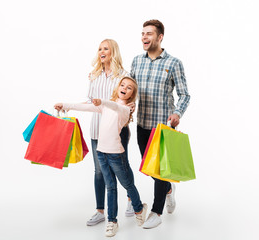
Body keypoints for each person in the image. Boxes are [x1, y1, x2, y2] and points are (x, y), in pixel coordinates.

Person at [54, 77, 147, 237]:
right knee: (110, 186)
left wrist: (102, 101)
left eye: (129, 87)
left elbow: (114, 105)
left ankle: (139, 208)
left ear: (132, 95)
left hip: (116, 154)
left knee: (127, 184)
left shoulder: (125, 110)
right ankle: (112, 221)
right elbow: (86, 107)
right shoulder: (105, 106)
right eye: (123, 85)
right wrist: (65, 105)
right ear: (118, 87)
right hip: (101, 152)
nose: (125, 87)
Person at [130, 19, 191, 229]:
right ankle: (168, 189)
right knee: (148, 168)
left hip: (163, 127)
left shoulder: (173, 63)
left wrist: (177, 113)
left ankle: (157, 211)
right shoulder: (137, 61)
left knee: (159, 172)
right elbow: (130, 89)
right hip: (142, 124)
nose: (144, 37)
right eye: (142, 33)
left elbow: (184, 95)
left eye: (149, 34)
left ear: (160, 37)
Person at [85, 39, 135, 227]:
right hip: (97, 129)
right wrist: (68, 107)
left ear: (113, 51)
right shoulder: (93, 75)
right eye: (99, 49)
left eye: (105, 48)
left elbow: (130, 99)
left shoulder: (123, 76)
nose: (101, 51)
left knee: (122, 167)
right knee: (99, 171)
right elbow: (90, 102)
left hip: (117, 131)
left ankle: (131, 200)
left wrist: (131, 108)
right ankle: (100, 211)